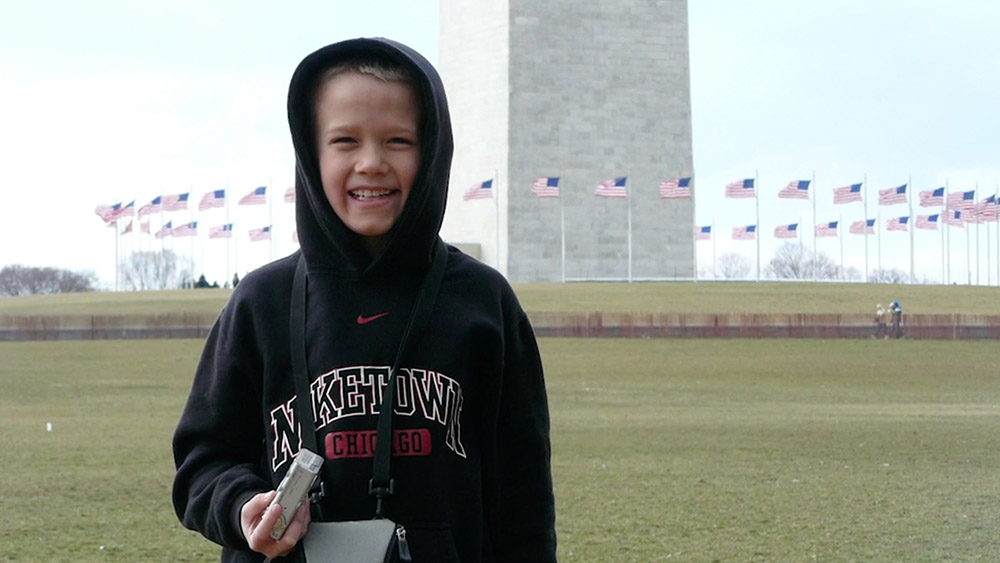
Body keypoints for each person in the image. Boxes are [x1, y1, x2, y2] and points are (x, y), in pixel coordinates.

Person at [172, 38, 557, 562]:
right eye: (345, 140)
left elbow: (523, 498)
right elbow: (202, 461)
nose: (371, 162)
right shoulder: (260, 303)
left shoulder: (483, 303)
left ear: (433, 149)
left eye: (398, 140)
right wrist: (242, 505)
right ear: (311, 153)